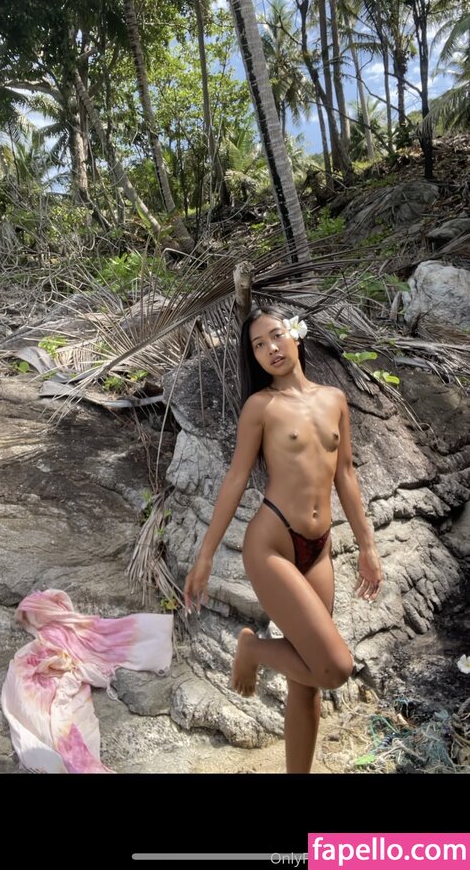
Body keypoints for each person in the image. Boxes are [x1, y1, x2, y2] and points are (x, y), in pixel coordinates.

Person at [184, 305, 383, 774]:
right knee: (334, 668)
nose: (270, 349)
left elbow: (346, 475)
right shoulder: (262, 407)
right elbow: (236, 479)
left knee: (307, 681)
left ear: (296, 335)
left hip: (319, 549)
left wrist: (367, 546)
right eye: (258, 345)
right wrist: (206, 555)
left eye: (275, 336)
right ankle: (252, 648)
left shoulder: (334, 399)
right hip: (272, 544)